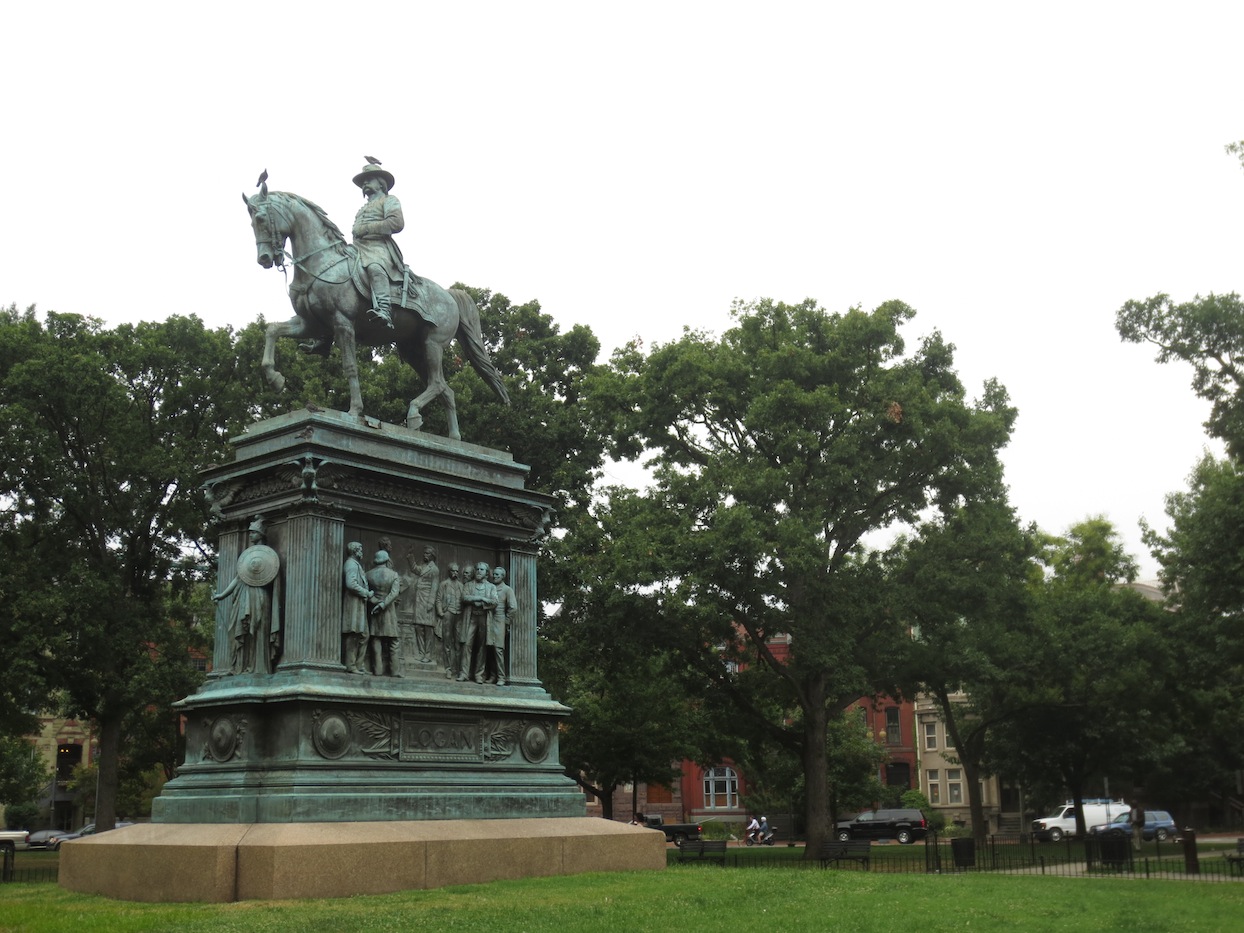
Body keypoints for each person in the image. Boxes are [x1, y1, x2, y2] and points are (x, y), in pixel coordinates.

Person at [212, 516, 280, 675]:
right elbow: (238, 578)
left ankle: (258, 667)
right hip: (243, 595)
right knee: (241, 630)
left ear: (260, 534)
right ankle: (241, 667)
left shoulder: (267, 555)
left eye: (253, 533)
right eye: (249, 532)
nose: (249, 535)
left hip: (258, 595)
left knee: (256, 630)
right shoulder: (247, 555)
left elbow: (272, 576)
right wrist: (221, 595)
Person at [351, 159, 404, 328]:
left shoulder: (390, 200)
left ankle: (384, 310)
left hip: (379, 248)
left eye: (369, 179)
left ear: (381, 183)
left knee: (375, 267)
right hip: (357, 248)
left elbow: (396, 223)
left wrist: (366, 229)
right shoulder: (362, 209)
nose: (365, 183)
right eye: (363, 181)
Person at [458, 562, 497, 683]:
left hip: (484, 618)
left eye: (482, 569)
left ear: (486, 573)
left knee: (481, 648)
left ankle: (479, 674)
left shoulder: (491, 587)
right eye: (477, 569)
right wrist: (480, 598)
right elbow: (464, 597)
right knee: (466, 645)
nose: (479, 571)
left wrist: (483, 605)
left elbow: (494, 602)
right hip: (471, 618)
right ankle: (464, 673)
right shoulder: (469, 585)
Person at [366, 549, 403, 676]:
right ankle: (395, 671)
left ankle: (377, 670)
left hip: (374, 611)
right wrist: (383, 604)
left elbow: (366, 593)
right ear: (387, 560)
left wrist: (376, 601)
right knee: (393, 642)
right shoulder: (393, 575)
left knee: (376, 640)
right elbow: (394, 593)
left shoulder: (368, 574)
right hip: (389, 612)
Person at [402, 545, 439, 663]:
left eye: (427, 553)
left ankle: (428, 654)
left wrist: (430, 603)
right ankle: (421, 652)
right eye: (424, 553)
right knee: (418, 627)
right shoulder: (423, 566)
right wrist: (411, 557)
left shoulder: (434, 569)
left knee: (428, 629)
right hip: (419, 601)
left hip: (427, 602)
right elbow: (414, 569)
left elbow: (434, 587)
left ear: (432, 555)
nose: (425, 555)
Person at [341, 541, 373, 674]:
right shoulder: (351, 564)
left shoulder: (356, 565)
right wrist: (366, 592)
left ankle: (359, 665)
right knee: (353, 634)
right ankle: (351, 665)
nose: (362, 551)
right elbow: (351, 584)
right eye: (360, 549)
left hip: (359, 605)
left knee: (364, 635)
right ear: (354, 551)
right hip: (353, 605)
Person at [487, 566, 518, 686]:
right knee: (489, 648)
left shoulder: (507, 590)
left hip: (500, 620)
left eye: (497, 575)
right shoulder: (490, 587)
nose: (495, 576)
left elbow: (513, 607)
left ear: (502, 577)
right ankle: (492, 675)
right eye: (494, 574)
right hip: (489, 618)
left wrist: (506, 621)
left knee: (498, 649)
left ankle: (501, 676)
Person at [436, 562, 464, 678]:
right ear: (449, 572)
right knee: (447, 642)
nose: (455, 573)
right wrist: (440, 612)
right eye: (453, 571)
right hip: (448, 613)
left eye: (457, 571)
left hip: (459, 615)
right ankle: (448, 668)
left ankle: (457, 669)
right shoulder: (444, 584)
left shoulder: (461, 585)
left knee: (458, 643)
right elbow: (438, 599)